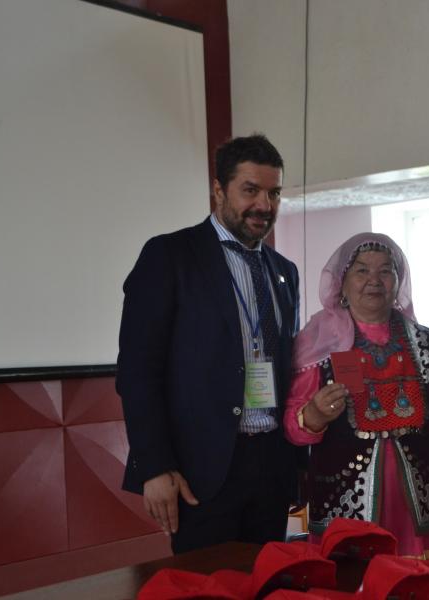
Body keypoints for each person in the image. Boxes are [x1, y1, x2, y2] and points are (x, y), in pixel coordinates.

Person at [116, 134, 301, 553]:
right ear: (219, 190)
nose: (265, 205)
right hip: (202, 471)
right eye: (250, 190)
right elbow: (138, 372)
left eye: (274, 193)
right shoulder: (169, 256)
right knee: (208, 583)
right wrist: (154, 466)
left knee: (278, 578)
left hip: (274, 467)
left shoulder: (284, 271)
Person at [284, 232, 429, 558]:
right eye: (362, 270)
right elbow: (292, 425)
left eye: (386, 270)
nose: (374, 280)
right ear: (341, 283)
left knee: (416, 582)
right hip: (342, 501)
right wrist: (312, 416)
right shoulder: (317, 344)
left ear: (399, 280)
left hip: (419, 503)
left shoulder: (427, 344)